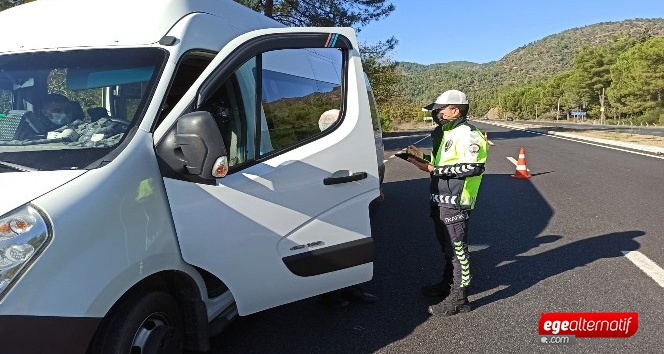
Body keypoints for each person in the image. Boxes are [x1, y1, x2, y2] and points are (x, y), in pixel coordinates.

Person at [404, 89, 488, 316]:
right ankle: (447, 284)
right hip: (439, 197)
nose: (436, 114)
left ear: (455, 109)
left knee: (458, 251)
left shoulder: (469, 134)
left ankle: (460, 299)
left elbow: (473, 167)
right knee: (447, 249)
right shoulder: (443, 133)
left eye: (439, 109)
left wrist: (434, 169)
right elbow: (443, 161)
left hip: (457, 200)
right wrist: (421, 160)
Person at [316, 108, 378, 308]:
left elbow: (363, 170)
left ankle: (353, 287)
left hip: (351, 204)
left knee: (352, 246)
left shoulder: (351, 146)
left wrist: (376, 188)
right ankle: (330, 293)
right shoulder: (316, 148)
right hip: (327, 206)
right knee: (329, 248)